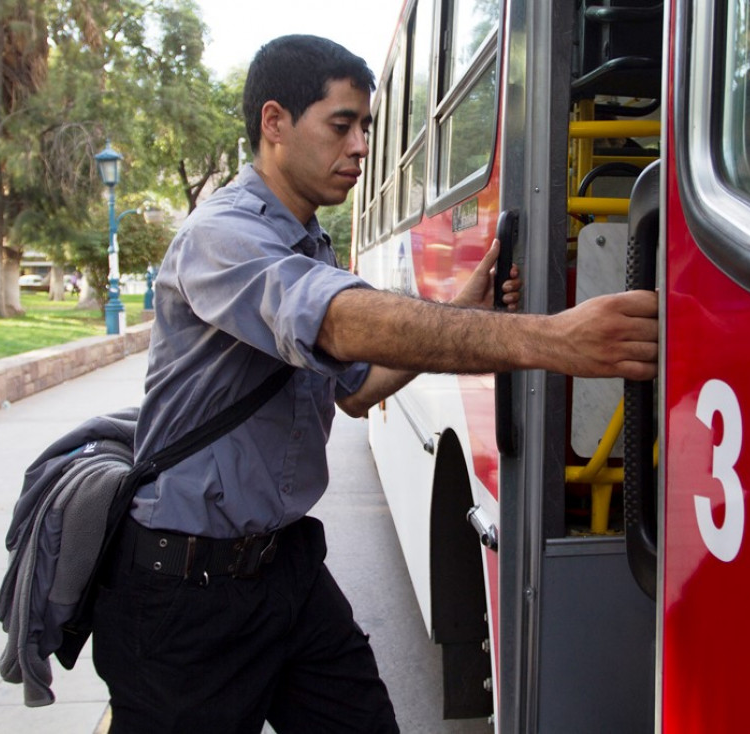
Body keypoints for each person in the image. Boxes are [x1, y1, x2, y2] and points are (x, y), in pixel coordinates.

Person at [91, 34, 658, 734]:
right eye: (342, 125)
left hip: (283, 571)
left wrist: (466, 312)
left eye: (366, 126)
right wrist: (555, 341)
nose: (362, 145)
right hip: (184, 593)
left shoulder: (307, 239)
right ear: (274, 124)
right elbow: (336, 322)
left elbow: (356, 390)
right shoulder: (222, 235)